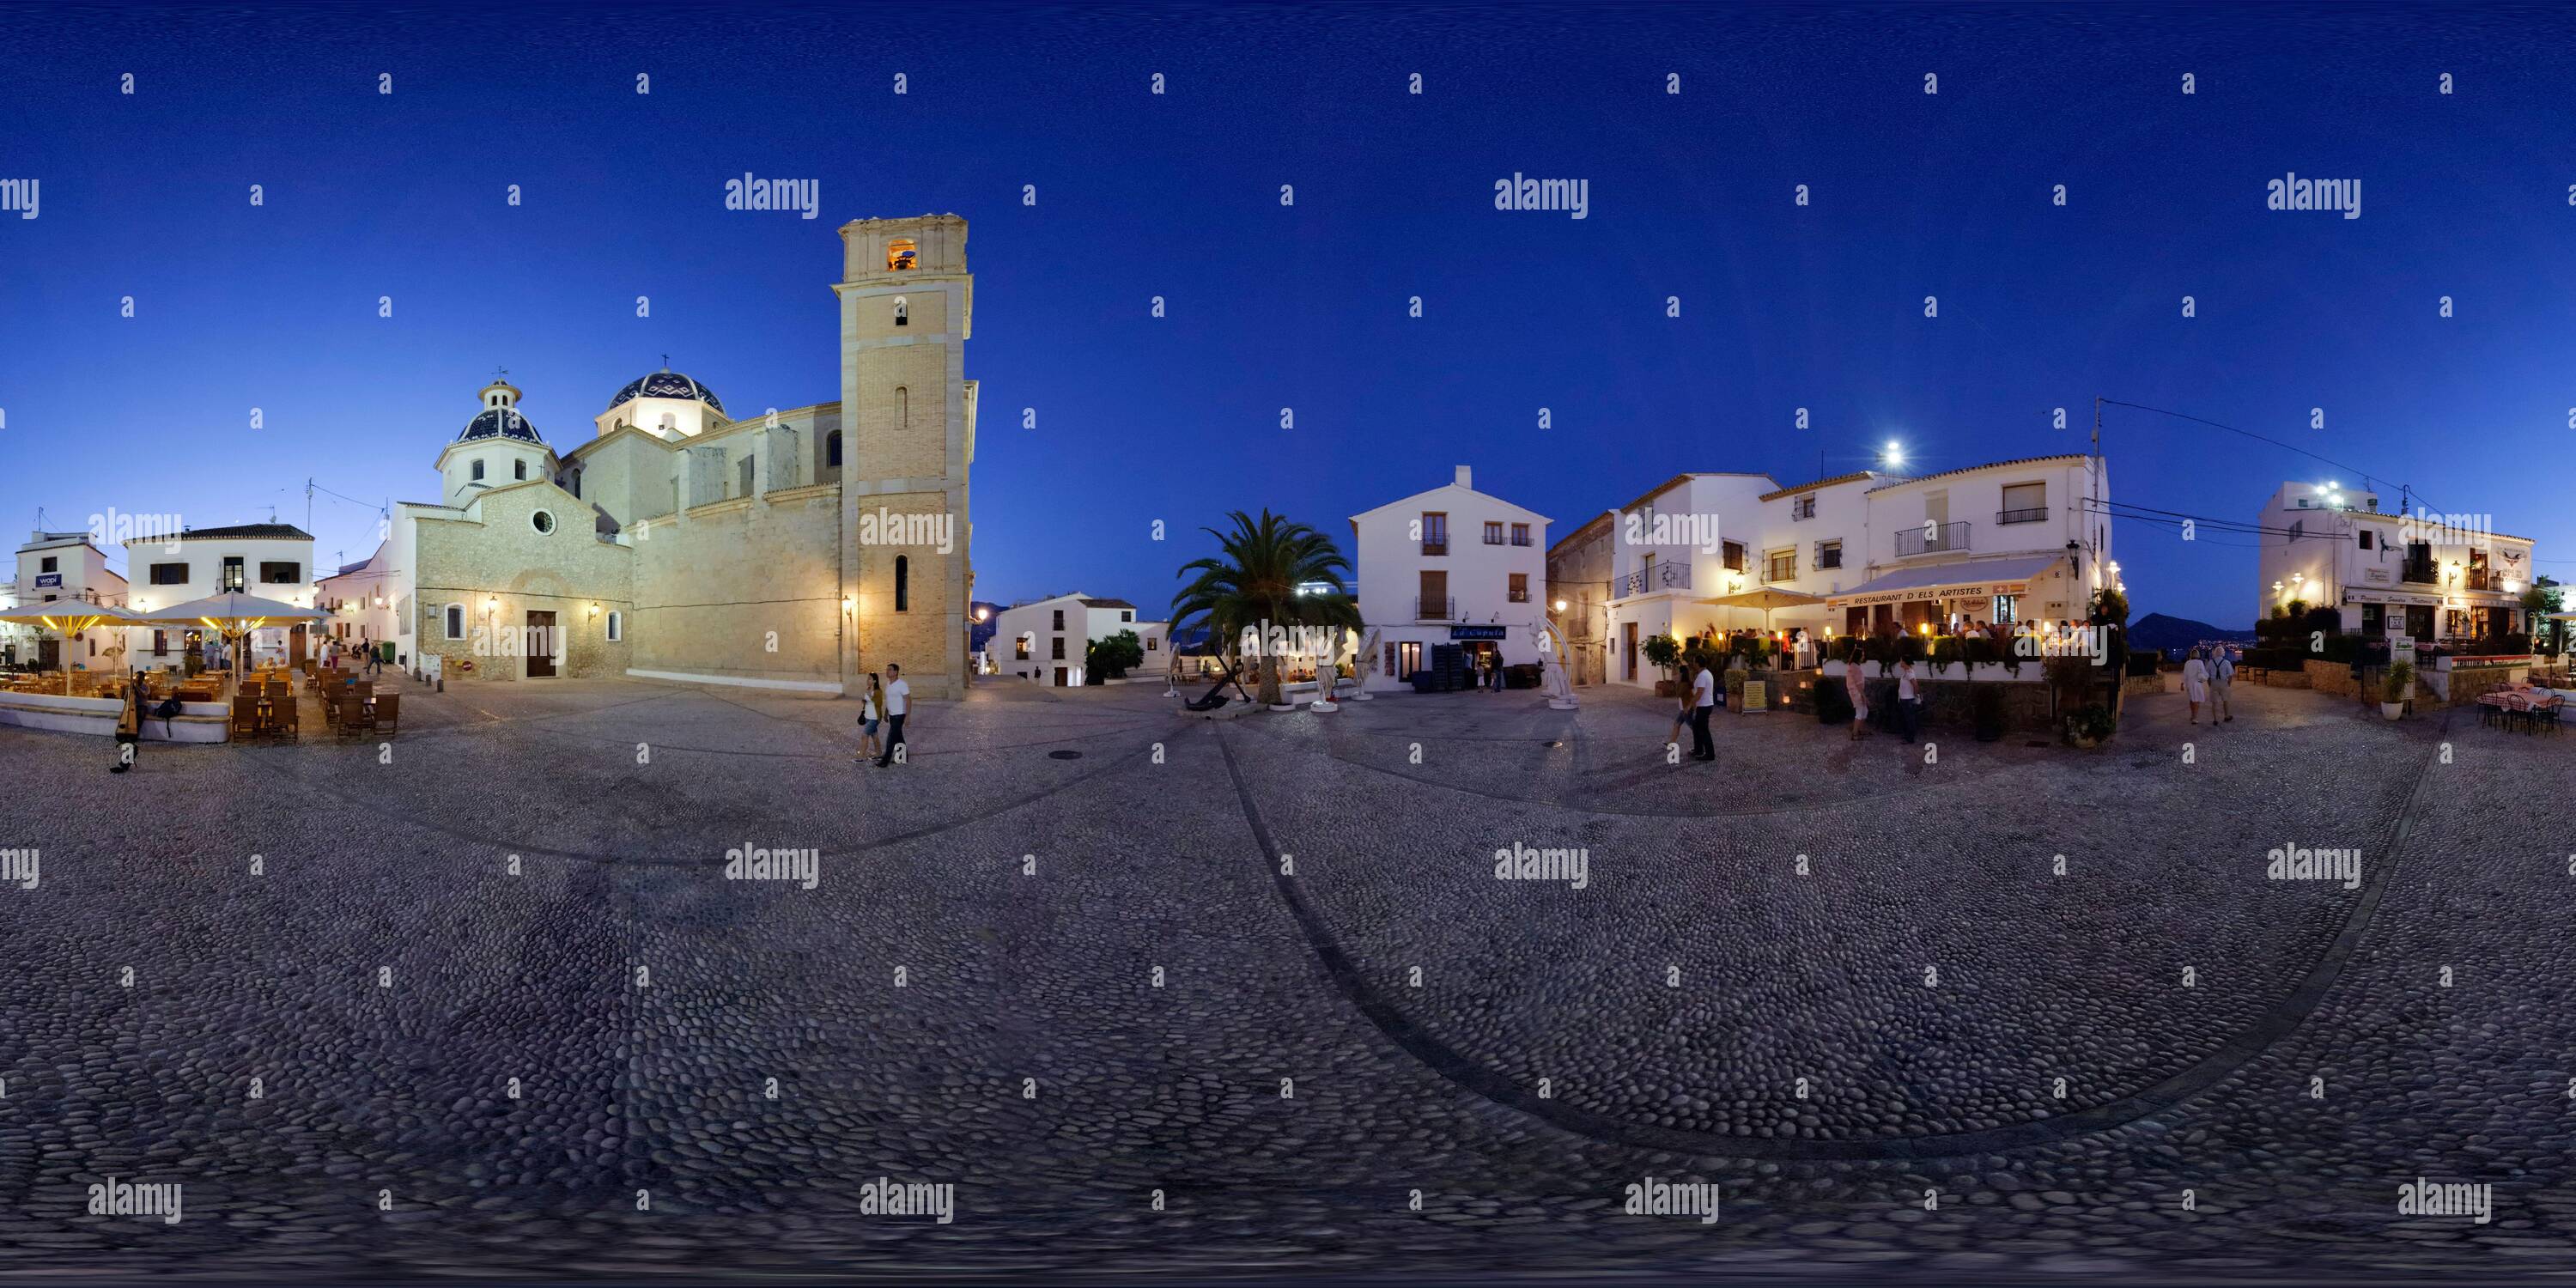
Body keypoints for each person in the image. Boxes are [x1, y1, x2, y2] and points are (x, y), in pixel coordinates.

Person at [874, 663, 908, 767]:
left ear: (895, 672)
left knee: (891, 738)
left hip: (899, 715)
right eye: (887, 669)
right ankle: (903, 757)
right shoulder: (889, 684)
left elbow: (909, 700)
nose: (887, 671)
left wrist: (908, 716)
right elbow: (889, 701)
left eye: (889, 670)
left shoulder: (902, 684)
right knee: (899, 737)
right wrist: (886, 714)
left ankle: (885, 761)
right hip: (892, 715)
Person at [1688, 651, 1716, 762]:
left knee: (1703, 730)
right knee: (1697, 728)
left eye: (1694, 662)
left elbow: (1699, 692)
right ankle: (1698, 749)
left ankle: (1710, 755)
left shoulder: (1703, 676)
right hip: (1705, 705)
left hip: (1704, 706)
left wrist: (1690, 704)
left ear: (1698, 663)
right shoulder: (1706, 674)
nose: (1693, 664)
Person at [856, 671, 884, 762]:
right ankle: (879, 753)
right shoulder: (868, 689)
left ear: (875, 681)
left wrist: (869, 696)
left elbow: (879, 703)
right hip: (867, 716)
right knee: (874, 736)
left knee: (864, 736)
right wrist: (865, 701)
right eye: (867, 678)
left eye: (870, 679)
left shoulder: (878, 691)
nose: (867, 680)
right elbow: (869, 702)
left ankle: (861, 756)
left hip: (874, 718)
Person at [1844, 647, 1870, 740]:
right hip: (1856, 693)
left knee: (1864, 711)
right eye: (1862, 655)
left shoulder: (1854, 666)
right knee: (1860, 712)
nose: (1863, 657)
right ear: (1858, 656)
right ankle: (1855, 734)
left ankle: (1860, 730)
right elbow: (1858, 684)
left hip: (1856, 692)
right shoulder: (1855, 667)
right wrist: (1864, 696)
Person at [1895, 655, 1923, 742]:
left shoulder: (1909, 673)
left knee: (1909, 719)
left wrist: (1916, 694)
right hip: (1904, 699)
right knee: (1906, 718)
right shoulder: (1906, 672)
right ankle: (1907, 735)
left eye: (1901, 660)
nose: (1900, 662)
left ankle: (1910, 738)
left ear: (1904, 662)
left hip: (1908, 699)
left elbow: (1915, 684)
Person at [2181, 647, 2210, 725]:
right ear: (2198, 655)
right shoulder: (2200, 662)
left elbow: (2185, 674)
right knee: (2196, 701)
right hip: (2197, 683)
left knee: (2192, 699)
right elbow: (2203, 673)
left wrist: (2182, 684)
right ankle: (2194, 718)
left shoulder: (2187, 663)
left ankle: (2192, 715)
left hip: (2189, 684)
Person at [2209, 645, 2235, 722]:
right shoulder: (2227, 662)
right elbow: (2230, 675)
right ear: (2223, 653)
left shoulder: (2211, 662)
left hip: (2214, 682)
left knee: (2214, 702)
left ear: (2215, 653)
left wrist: (2209, 684)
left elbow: (2207, 675)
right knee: (2226, 700)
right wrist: (2229, 684)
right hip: (2224, 682)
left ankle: (2215, 719)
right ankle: (2226, 716)